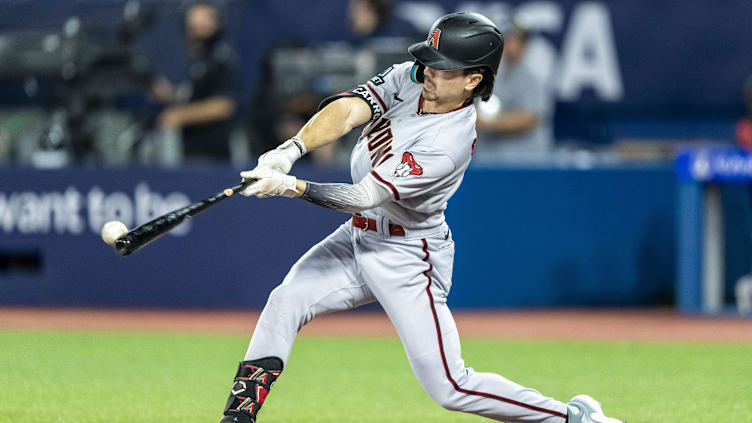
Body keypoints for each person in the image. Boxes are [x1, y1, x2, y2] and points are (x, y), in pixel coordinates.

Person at [218, 13, 623, 423]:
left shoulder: (448, 141)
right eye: (431, 59)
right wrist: (290, 150)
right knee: (285, 300)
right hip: (358, 236)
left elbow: (363, 196)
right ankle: (238, 417)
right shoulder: (413, 76)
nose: (429, 71)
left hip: (408, 254)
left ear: (473, 80)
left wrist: (292, 186)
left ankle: (574, 417)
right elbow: (347, 110)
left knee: (451, 386)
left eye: (444, 67)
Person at [151, 0, 237, 163]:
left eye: (205, 20)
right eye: (193, 21)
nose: (197, 25)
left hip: (212, 154)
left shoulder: (221, 58)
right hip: (189, 149)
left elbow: (224, 105)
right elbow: (198, 94)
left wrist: (178, 115)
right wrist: (172, 96)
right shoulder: (196, 60)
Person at [475, 21, 552, 161]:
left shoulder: (533, 78)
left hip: (525, 161)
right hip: (491, 158)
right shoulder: (492, 75)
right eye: (507, 39)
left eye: (515, 40)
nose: (510, 45)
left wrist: (486, 123)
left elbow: (528, 119)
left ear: (524, 45)